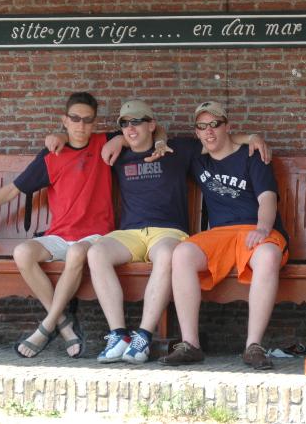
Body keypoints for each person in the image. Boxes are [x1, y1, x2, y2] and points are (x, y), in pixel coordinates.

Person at [88, 99, 270, 365]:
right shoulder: (119, 152)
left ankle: (143, 336)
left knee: (167, 256)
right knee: (96, 253)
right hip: (129, 233)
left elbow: (217, 139)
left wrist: (252, 137)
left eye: (137, 122)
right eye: (125, 124)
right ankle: (118, 334)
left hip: (167, 232)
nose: (131, 128)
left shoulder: (178, 149)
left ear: (152, 125)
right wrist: (117, 140)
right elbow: (79, 137)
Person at [0, 92, 113, 359]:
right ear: (64, 120)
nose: (81, 125)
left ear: (95, 122)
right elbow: (12, 190)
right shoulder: (51, 155)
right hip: (60, 235)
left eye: (88, 120)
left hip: (95, 236)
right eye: (75, 119)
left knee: (77, 252)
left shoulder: (105, 143)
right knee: (22, 252)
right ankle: (64, 323)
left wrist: (128, 138)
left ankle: (46, 327)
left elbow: (147, 131)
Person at [158, 101, 288, 370]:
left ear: (228, 126)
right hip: (219, 234)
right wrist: (120, 141)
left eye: (215, 124)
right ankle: (190, 344)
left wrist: (263, 227)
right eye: (202, 126)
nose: (209, 131)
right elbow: (154, 132)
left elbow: (267, 198)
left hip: (254, 229)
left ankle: (253, 346)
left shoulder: (252, 155)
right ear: (196, 132)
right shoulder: (196, 156)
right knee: (181, 253)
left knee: (267, 255)